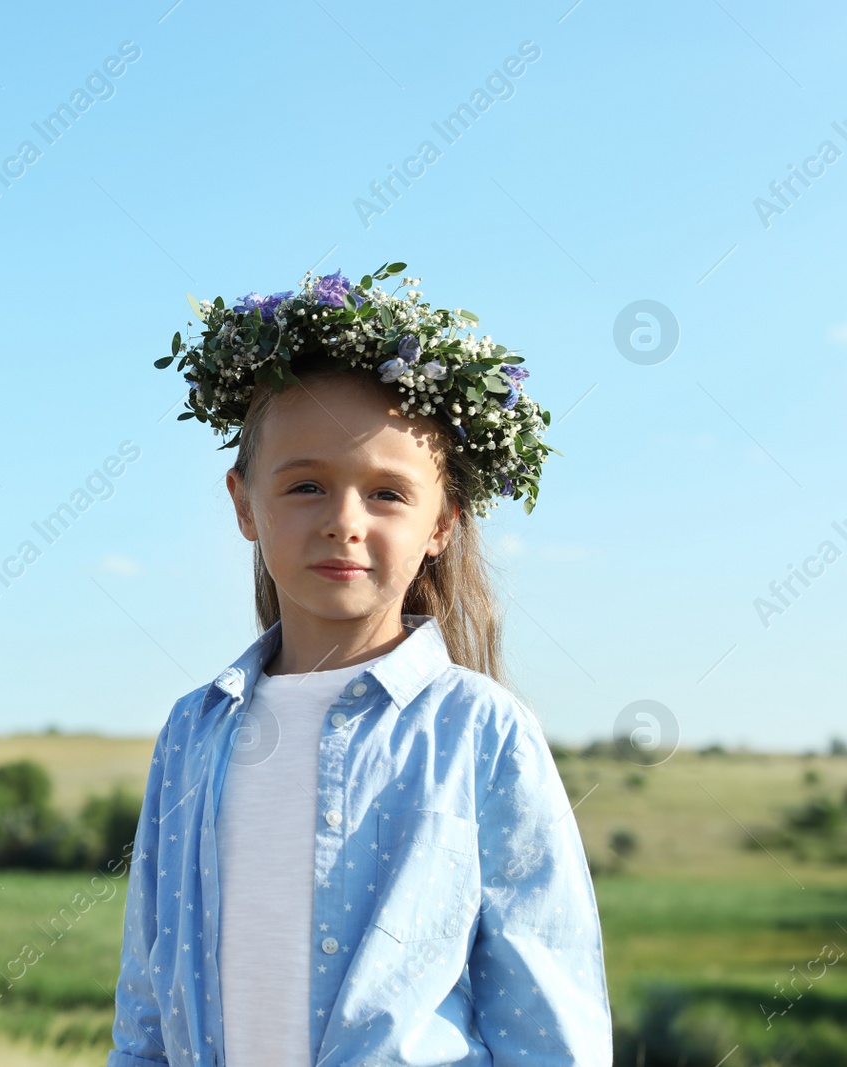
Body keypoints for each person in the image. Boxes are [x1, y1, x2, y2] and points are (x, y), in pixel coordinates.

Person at [107, 264, 611, 1066]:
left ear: (442, 522)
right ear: (244, 503)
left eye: (386, 493)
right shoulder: (191, 732)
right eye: (306, 484)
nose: (344, 521)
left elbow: (547, 1018)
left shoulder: (482, 731)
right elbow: (145, 1004)